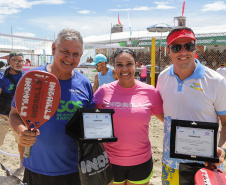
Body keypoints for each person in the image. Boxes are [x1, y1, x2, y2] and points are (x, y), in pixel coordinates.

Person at [9, 28, 94, 185]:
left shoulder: (85, 83)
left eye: (76, 54)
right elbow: (14, 115)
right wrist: (22, 131)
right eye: (65, 51)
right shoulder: (32, 78)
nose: (70, 58)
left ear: (81, 56)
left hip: (75, 169)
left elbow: (90, 122)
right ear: (54, 49)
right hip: (37, 169)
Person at [157, 27, 226, 184]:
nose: (183, 52)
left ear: (196, 48)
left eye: (188, 46)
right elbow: (161, 112)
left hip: (206, 164)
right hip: (171, 163)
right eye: (176, 47)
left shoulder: (216, 81)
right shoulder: (162, 78)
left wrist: (222, 150)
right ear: (168, 51)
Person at [94, 48, 164, 185]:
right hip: (109, 161)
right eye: (119, 64)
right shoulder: (103, 91)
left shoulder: (150, 92)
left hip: (141, 161)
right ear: (113, 67)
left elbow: (168, 121)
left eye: (129, 64)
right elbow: (89, 121)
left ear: (136, 65)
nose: (124, 69)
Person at [0, 52, 25, 167]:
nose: (19, 63)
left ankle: (22, 164)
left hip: (20, 117)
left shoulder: (27, 76)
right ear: (9, 61)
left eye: (21, 61)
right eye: (16, 60)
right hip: (3, 116)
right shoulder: (2, 77)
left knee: (22, 142)